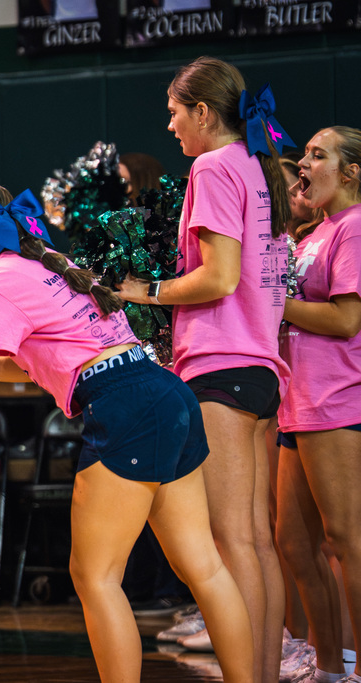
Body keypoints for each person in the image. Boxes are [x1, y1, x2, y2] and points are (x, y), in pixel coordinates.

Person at [0, 181, 254, 682]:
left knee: (94, 577)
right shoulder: (46, 262)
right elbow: (33, 366)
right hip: (164, 392)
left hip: (124, 406)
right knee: (206, 568)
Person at [117, 56, 292, 682]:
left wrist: (143, 290)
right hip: (263, 372)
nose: (169, 128)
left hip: (221, 368)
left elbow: (217, 278)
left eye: (173, 113)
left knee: (231, 542)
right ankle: (263, 674)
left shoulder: (214, 166)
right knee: (256, 540)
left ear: (201, 111)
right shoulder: (256, 165)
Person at [274, 126, 361, 683]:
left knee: (346, 541)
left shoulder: (353, 230)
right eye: (304, 153)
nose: (303, 164)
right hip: (297, 402)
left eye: (317, 154)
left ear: (351, 171)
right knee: (293, 542)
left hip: (337, 402)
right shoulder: (314, 234)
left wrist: (277, 304)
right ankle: (329, 665)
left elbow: (347, 318)